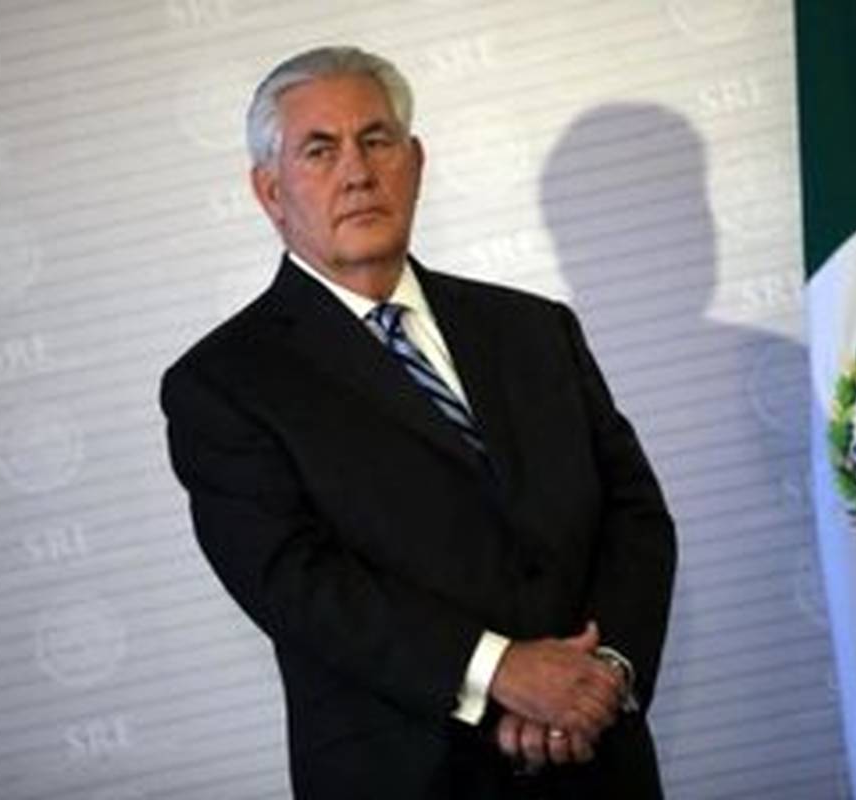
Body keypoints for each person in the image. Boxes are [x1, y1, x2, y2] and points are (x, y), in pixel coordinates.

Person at [161, 45, 677, 799]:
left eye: (376, 140)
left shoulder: (535, 329)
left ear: (416, 162)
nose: (358, 172)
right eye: (320, 150)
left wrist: (602, 677)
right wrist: (500, 670)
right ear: (270, 191)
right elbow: (299, 584)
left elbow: (634, 516)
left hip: (597, 766)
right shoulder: (224, 384)